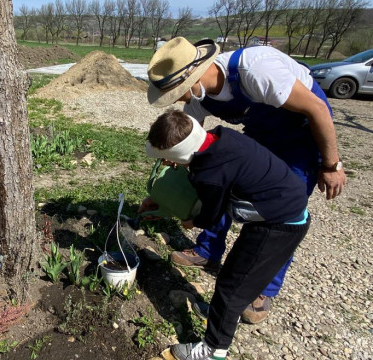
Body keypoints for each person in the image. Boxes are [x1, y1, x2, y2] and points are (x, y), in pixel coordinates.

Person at [146, 37, 346, 323]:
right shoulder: (200, 98)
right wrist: (168, 192)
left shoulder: (257, 71)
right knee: (224, 178)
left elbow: (317, 109)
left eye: (177, 93)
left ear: (195, 78)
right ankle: (208, 249)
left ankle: (263, 288)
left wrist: (331, 164)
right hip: (262, 132)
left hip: (301, 133)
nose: (178, 100)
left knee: (284, 213)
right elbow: (195, 151)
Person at [143, 109, 310, 360]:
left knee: (232, 286)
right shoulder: (219, 138)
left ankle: (213, 349)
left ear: (180, 155)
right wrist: (159, 199)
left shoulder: (210, 175)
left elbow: (209, 216)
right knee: (237, 271)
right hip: (277, 205)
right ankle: (223, 314)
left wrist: (190, 221)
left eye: (168, 159)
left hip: (280, 223)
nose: (167, 164)